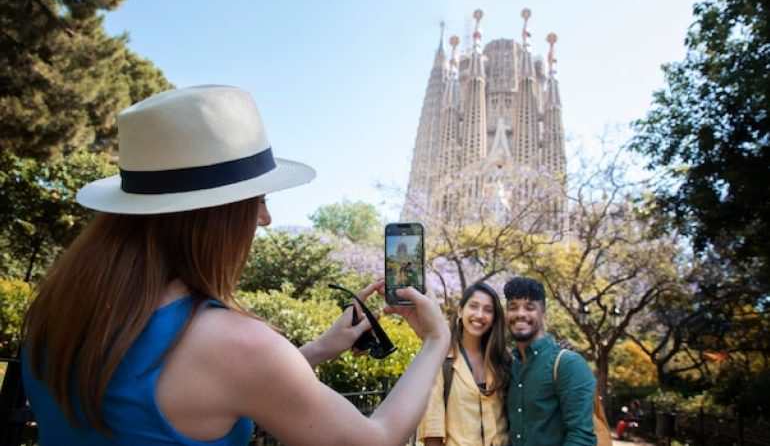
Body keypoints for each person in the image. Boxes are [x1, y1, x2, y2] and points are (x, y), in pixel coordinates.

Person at [21, 85, 450, 446]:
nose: (265, 219)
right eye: (259, 201)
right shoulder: (235, 344)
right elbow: (376, 439)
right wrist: (436, 339)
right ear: (214, 215)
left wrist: (317, 350)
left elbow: (180, 392)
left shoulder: (56, 312)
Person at [504, 276, 597, 446]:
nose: (520, 314)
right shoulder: (511, 366)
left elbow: (581, 437)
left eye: (529, 307)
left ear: (544, 317)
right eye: (513, 307)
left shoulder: (568, 364)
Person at [418, 282, 511, 446]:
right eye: (474, 306)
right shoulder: (441, 359)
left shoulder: (503, 359)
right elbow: (433, 431)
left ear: (494, 318)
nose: (480, 315)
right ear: (460, 310)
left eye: (488, 310)